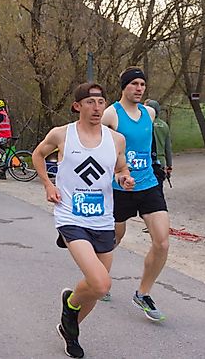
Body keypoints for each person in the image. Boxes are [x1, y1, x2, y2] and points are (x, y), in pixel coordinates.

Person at [32, 83, 134, 358]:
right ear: (77, 106)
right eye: (90, 102)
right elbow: (37, 155)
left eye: (101, 102)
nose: (96, 107)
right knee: (101, 283)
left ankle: (70, 327)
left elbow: (120, 167)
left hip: (102, 219)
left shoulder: (115, 139)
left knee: (96, 290)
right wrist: (48, 184)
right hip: (70, 216)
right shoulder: (62, 134)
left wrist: (123, 177)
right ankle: (71, 308)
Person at [101, 67, 170, 322]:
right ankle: (99, 278)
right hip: (120, 188)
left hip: (148, 185)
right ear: (124, 87)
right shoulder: (110, 114)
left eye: (142, 84)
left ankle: (143, 293)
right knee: (114, 238)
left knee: (162, 241)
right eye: (134, 84)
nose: (139, 88)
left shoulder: (149, 113)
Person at [145, 100, 172, 190]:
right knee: (159, 189)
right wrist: (169, 165)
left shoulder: (145, 124)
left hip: (147, 161)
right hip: (161, 162)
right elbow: (168, 148)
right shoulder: (164, 125)